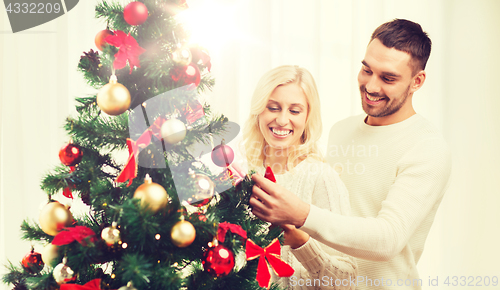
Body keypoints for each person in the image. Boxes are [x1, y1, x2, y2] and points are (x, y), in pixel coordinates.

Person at [250, 19, 452, 290]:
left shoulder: (427, 147)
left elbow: (388, 238)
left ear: (417, 81)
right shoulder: (342, 131)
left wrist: (301, 214)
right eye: (367, 70)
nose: (371, 86)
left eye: (388, 78)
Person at [242, 65, 357, 289]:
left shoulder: (322, 178)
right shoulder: (245, 175)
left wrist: (301, 244)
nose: (283, 120)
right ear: (259, 111)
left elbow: (347, 281)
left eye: (294, 111)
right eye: (273, 108)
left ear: (307, 117)